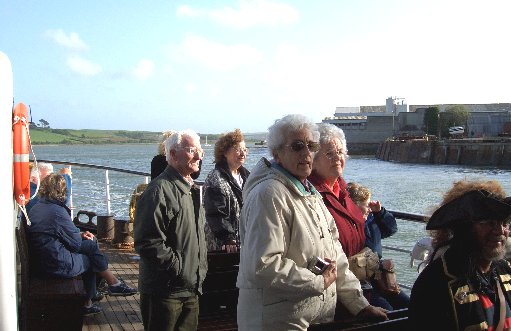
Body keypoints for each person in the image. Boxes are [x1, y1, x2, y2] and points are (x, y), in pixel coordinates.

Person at [236, 114, 387, 330]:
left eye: (311, 145)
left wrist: (359, 305)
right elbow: (263, 265)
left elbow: (336, 257)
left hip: (312, 319)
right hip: (278, 321)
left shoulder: (309, 193)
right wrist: (316, 282)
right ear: (277, 153)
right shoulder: (268, 195)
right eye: (297, 146)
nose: (306, 153)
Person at [26, 173, 138, 316]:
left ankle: (107, 287)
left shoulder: (39, 207)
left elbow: (55, 232)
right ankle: (97, 295)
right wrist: (79, 236)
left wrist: (79, 234)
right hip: (54, 263)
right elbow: (75, 244)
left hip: (44, 257)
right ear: (61, 191)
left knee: (91, 246)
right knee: (90, 257)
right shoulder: (57, 211)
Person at [409, 180, 511, 331]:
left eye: (505, 222)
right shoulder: (434, 283)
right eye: (487, 222)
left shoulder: (505, 270)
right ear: (464, 229)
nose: (500, 231)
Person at [134, 129, 208, 331]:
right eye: (192, 150)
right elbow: (147, 242)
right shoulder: (159, 191)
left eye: (200, 150)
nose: (199, 155)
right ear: (173, 154)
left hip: (190, 289)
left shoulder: (190, 188)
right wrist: (179, 269)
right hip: (165, 292)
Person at [346, 182, 410, 310]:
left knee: (409, 305)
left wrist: (380, 213)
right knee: (388, 311)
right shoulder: (347, 226)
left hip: (379, 277)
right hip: (363, 282)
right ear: (354, 206)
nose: (369, 209)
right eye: (366, 205)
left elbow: (391, 229)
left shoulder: (371, 219)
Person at [203, 128, 250, 252]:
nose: (243, 153)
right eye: (238, 149)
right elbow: (215, 212)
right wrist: (227, 238)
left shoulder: (248, 176)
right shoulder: (216, 178)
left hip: (244, 241)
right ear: (224, 152)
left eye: (245, 149)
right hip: (223, 245)